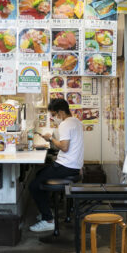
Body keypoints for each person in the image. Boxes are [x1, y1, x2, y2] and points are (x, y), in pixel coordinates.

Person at [29, 98, 84, 232]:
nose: (54, 118)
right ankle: (46, 211)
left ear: (60, 112)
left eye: (54, 114)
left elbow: (64, 147)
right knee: (39, 175)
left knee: (34, 186)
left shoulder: (65, 124)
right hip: (73, 165)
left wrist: (50, 139)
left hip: (66, 166)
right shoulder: (76, 121)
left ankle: (48, 219)